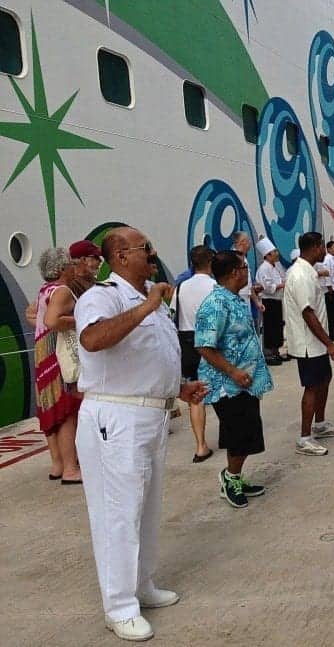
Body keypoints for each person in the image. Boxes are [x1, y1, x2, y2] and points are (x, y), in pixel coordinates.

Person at [74, 227, 206, 642]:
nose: (153, 253)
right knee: (118, 512)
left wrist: (177, 388)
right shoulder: (104, 295)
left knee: (147, 507)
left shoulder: (148, 295)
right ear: (119, 257)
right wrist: (148, 306)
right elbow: (93, 339)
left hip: (151, 414)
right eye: (144, 248)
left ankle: (142, 585)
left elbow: (148, 357)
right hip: (116, 417)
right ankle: (119, 606)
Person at [195, 251, 273, 508]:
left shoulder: (235, 299)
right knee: (239, 433)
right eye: (243, 267)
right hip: (228, 384)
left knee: (247, 433)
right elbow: (204, 346)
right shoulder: (215, 304)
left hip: (245, 382)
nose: (247, 272)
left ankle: (236, 475)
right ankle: (230, 479)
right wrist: (233, 371)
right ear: (233, 272)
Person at [283, 232, 334, 456]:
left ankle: (320, 423)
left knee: (324, 380)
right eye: (323, 247)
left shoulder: (308, 272)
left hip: (316, 342)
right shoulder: (300, 275)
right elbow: (308, 313)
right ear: (317, 247)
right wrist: (330, 344)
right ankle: (304, 437)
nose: (325, 251)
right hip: (308, 343)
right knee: (311, 387)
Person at [33, 248, 84, 483]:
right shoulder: (63, 291)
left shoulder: (45, 290)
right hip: (57, 353)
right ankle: (71, 468)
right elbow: (52, 321)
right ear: (63, 269)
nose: (75, 267)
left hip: (43, 351)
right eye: (71, 264)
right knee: (66, 411)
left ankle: (58, 464)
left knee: (50, 409)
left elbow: (34, 315)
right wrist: (82, 318)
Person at [171, 244, 216, 462]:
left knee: (195, 396)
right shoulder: (216, 287)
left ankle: (200, 445)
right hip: (212, 342)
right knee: (224, 389)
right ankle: (229, 435)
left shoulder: (180, 288)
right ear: (211, 262)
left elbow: (173, 316)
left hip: (187, 343)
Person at [255, 238, 288, 365]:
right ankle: (269, 354)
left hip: (277, 300)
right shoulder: (264, 268)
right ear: (267, 255)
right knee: (270, 327)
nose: (277, 254)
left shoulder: (275, 267)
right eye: (274, 252)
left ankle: (276, 352)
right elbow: (267, 287)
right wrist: (281, 285)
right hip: (269, 301)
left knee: (277, 326)